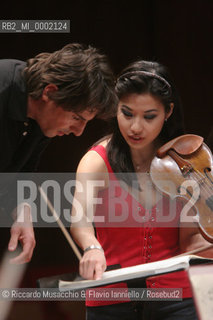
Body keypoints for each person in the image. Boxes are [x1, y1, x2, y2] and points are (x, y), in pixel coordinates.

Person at [70, 60, 213, 319]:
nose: (136, 127)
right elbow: (79, 222)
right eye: (127, 113)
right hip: (110, 299)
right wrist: (92, 248)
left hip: (176, 301)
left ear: (168, 111)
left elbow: (191, 238)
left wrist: (206, 246)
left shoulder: (188, 163)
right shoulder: (96, 160)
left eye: (149, 117)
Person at [0, 43, 117, 264]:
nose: (79, 131)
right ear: (50, 92)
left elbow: (22, 171)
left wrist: (23, 212)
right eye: (76, 117)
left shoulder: (41, 121)